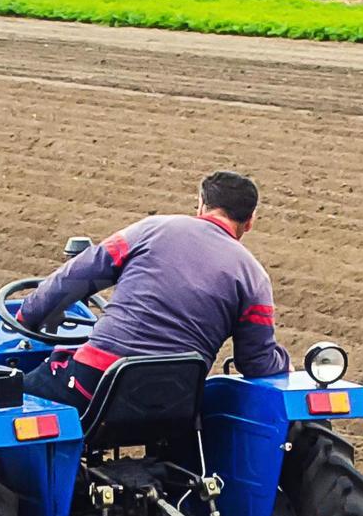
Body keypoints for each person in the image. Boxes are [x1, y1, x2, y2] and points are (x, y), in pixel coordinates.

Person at [16, 171, 288, 411]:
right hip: (176, 399)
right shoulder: (255, 277)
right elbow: (256, 362)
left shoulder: (151, 230)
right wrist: (285, 364)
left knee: (6, 397)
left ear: (202, 206)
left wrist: (28, 315)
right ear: (250, 220)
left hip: (97, 381)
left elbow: (76, 278)